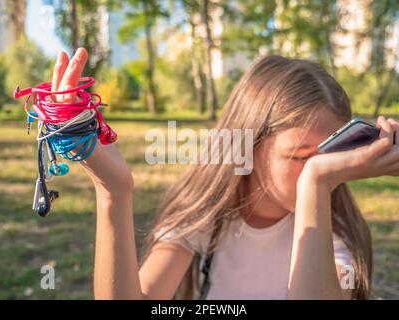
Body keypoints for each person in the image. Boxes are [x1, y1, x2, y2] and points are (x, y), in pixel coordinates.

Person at [51, 47, 399, 300]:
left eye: (330, 157)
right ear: (248, 146)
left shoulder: (334, 233)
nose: (318, 170)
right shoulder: (209, 219)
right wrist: (114, 191)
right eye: (300, 157)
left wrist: (315, 183)